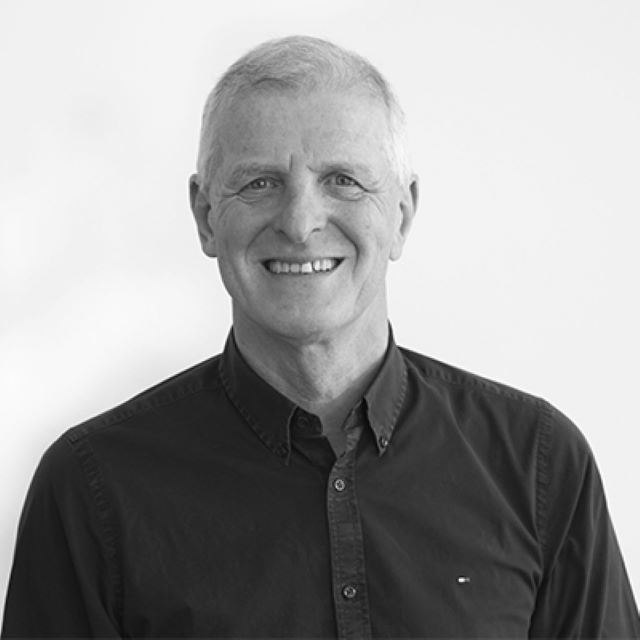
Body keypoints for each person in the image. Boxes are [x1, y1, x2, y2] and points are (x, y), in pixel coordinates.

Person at [2, 35, 639, 639]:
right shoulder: (91, 491)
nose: (301, 222)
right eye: (260, 183)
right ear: (204, 216)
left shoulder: (538, 465)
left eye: (343, 180)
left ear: (402, 215)